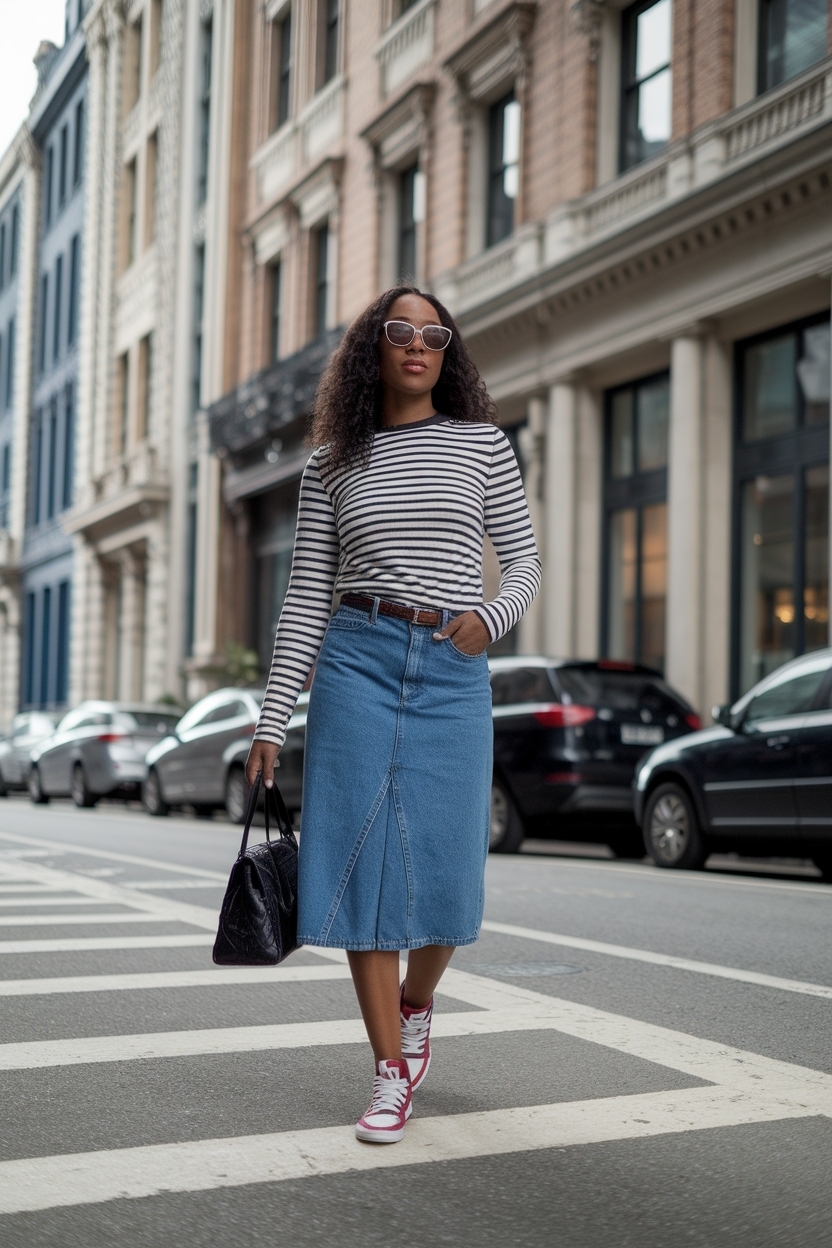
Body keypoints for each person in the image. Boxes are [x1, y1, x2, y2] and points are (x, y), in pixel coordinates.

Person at [246, 285, 541, 1144]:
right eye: (399, 332)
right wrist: (272, 718)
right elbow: (305, 595)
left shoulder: (483, 445)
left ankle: (417, 1006)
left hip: (451, 670)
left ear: (449, 353)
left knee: (451, 868)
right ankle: (386, 1072)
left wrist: (489, 619)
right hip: (356, 661)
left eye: (434, 334)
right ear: (372, 348)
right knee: (360, 862)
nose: (418, 344)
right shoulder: (333, 462)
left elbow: (522, 560)